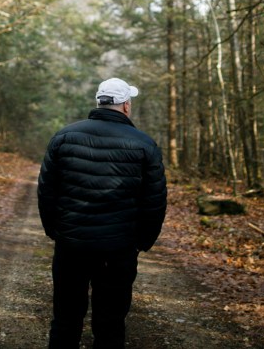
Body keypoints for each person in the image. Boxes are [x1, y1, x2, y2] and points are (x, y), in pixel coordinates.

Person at [37, 77, 168, 349]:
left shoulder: (63, 136)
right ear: (126, 107)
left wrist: (56, 231)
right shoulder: (144, 144)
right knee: (110, 323)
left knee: (65, 319)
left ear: (99, 102)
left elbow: (46, 191)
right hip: (118, 250)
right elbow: (154, 201)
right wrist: (141, 242)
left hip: (71, 246)